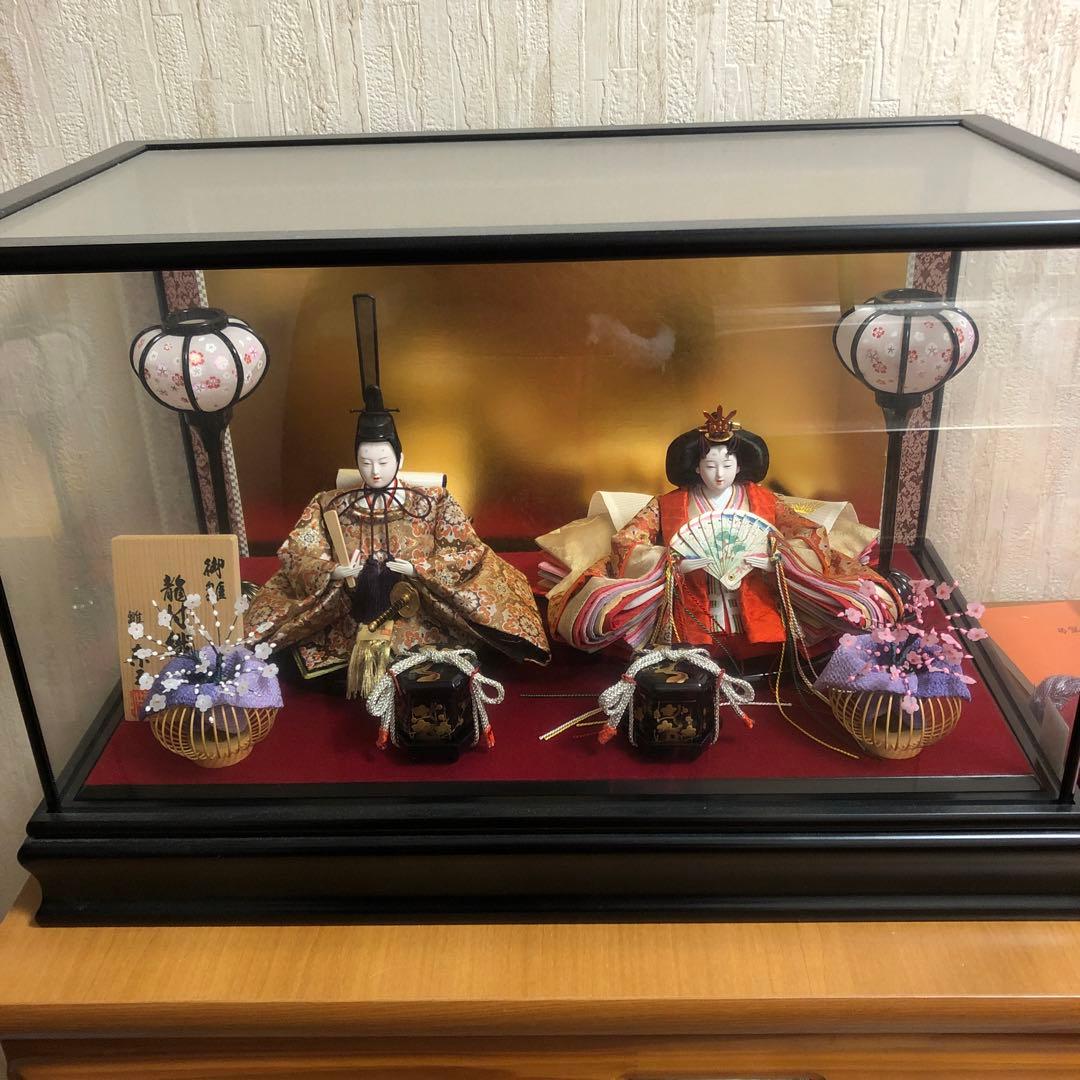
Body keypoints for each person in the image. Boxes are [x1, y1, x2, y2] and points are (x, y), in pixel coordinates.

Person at [249, 385, 549, 696]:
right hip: (351, 609)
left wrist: (419, 569)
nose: (375, 471)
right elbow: (297, 552)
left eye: (383, 461)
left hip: (418, 607)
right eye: (365, 462)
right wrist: (332, 570)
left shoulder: (433, 501)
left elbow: (466, 550)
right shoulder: (329, 503)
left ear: (400, 458)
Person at [546, 405, 899, 662]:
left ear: (739, 465)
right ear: (696, 467)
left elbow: (808, 532)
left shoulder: (764, 500)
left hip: (757, 590)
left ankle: (760, 647)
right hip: (690, 593)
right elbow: (628, 540)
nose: (719, 474)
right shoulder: (669, 504)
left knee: (856, 602)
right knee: (599, 610)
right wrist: (671, 563)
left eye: (727, 465)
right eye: (710, 465)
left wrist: (777, 559)